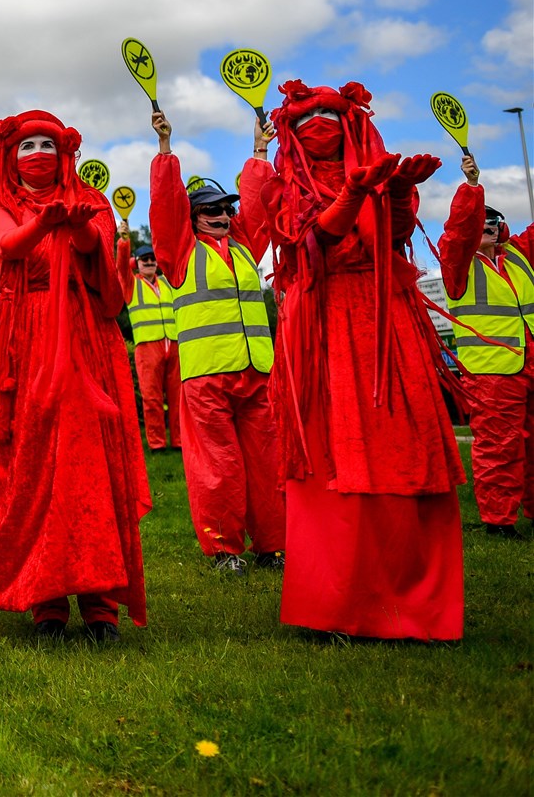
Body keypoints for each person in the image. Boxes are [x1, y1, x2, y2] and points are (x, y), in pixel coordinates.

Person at [256, 80, 462, 639]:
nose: (318, 122)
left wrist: (395, 195)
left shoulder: (382, 173)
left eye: (329, 112)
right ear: (288, 130)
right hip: (320, 326)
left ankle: (410, 600)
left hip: (384, 321)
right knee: (329, 454)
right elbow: (309, 246)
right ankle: (334, 602)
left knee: (400, 441)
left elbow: (391, 238)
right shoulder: (282, 185)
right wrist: (351, 196)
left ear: (352, 121)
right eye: (306, 116)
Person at [0, 111, 149, 643]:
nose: (38, 153)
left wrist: (78, 229)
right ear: (9, 155)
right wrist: (45, 223)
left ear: (65, 153)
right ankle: (47, 599)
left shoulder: (92, 202)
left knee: (87, 464)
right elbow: (5, 245)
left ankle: (100, 602)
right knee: (33, 463)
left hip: (83, 341)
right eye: (27, 144)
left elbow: (104, 270)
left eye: (48, 145)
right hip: (23, 344)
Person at [149, 110, 284, 573]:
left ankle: (272, 546)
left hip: (257, 372)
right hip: (207, 376)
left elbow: (259, 203)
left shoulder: (246, 245)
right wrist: (166, 150)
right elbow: (166, 209)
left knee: (267, 463)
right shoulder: (179, 250)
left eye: (225, 209)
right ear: (193, 218)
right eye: (210, 210)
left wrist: (260, 152)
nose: (223, 215)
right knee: (219, 466)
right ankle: (225, 549)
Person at [440, 152, 532, 540]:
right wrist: (472, 188)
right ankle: (499, 521)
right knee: (500, 446)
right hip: (493, 373)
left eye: (494, 220)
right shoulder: (458, 264)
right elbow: (459, 230)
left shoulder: (519, 258)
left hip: (528, 366)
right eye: (482, 220)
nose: (489, 225)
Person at [119, 236, 182, 453]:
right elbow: (120, 266)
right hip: (147, 347)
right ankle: (156, 443)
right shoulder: (131, 283)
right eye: (144, 260)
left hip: (173, 344)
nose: (149, 263)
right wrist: (124, 243)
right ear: (136, 263)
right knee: (151, 397)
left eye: (152, 259)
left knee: (178, 397)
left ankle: (179, 441)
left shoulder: (167, 282)